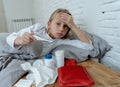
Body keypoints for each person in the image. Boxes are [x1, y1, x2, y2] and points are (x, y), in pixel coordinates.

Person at [7, 8, 93, 56]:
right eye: (58, 24)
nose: (61, 29)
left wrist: (73, 25)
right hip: (9, 43)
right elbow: (10, 37)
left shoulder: (60, 41)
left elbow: (88, 46)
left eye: (66, 26)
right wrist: (20, 40)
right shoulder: (38, 28)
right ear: (49, 24)